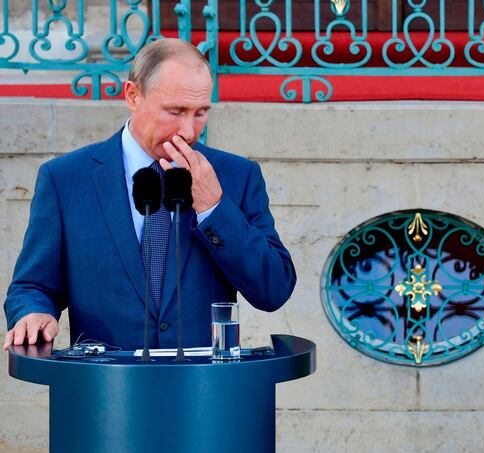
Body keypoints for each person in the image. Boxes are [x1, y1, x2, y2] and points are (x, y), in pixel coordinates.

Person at [4, 39, 296, 350]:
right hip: (104, 389)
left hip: (204, 390)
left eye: (200, 112)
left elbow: (273, 289)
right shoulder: (65, 179)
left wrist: (214, 207)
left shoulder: (237, 176)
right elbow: (32, 284)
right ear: (132, 95)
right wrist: (33, 312)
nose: (188, 130)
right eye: (175, 111)